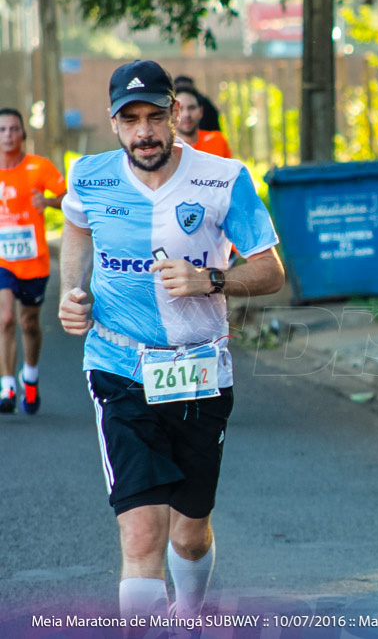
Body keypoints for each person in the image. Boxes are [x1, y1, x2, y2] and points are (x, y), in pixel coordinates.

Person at [58, 60, 285, 621]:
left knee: (189, 533)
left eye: (155, 116)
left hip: (200, 367)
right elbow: (77, 232)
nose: (145, 132)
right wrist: (70, 291)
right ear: (114, 123)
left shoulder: (223, 178)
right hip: (117, 364)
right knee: (141, 538)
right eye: (130, 119)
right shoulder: (89, 176)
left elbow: (271, 270)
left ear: (176, 114)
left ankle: (190, 614)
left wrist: (211, 279)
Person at [0, 108, 66, 414]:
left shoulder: (39, 167)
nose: (8, 135)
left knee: (28, 323)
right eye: (2, 130)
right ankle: (7, 386)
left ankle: (30, 376)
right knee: (6, 319)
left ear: (23, 134)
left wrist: (49, 201)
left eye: (13, 129)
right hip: (3, 261)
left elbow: (69, 197)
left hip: (33, 261)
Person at [173, 85, 232, 158]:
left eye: (191, 108)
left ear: (201, 111)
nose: (187, 114)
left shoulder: (217, 141)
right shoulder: (166, 149)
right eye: (180, 109)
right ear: (172, 113)